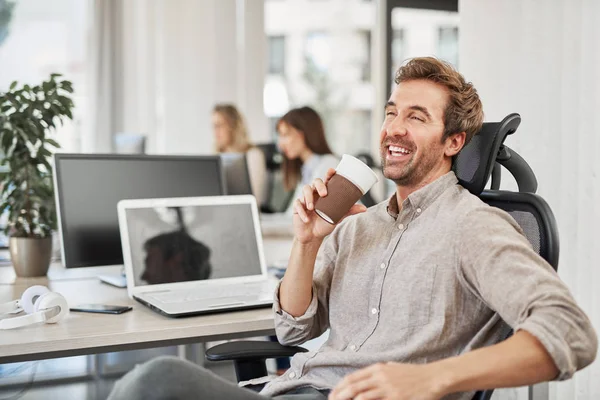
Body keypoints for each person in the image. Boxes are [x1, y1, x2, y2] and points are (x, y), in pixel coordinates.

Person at [108, 57, 597, 400]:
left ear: (453, 141)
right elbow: (292, 326)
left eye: (416, 117)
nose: (394, 129)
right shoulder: (358, 226)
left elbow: (571, 334)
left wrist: (430, 380)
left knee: (153, 383)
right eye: (390, 113)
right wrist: (307, 244)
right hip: (296, 388)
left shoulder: (474, 227)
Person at [276, 107, 339, 213]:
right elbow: (292, 214)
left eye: (285, 135)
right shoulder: (306, 170)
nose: (280, 144)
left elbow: (297, 216)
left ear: (304, 133)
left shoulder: (328, 165)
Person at [212, 104, 267, 206]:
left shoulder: (253, 155)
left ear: (233, 126)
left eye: (219, 126)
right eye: (214, 127)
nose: (215, 132)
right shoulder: (216, 157)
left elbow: (256, 199)